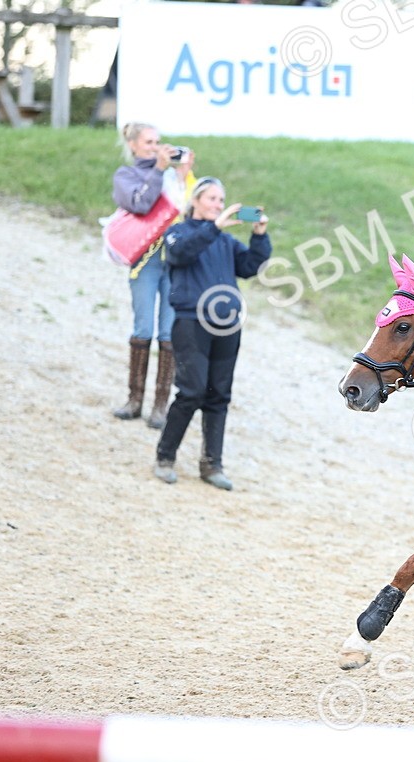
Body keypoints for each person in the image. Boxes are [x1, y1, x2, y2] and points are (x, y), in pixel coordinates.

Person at [153, 177, 271, 491]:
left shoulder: (225, 242)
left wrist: (260, 237)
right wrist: (214, 227)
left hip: (227, 325)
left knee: (219, 395)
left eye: (221, 201)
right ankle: (165, 456)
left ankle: (211, 464)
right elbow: (181, 255)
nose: (218, 205)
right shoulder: (178, 233)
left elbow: (250, 266)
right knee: (191, 391)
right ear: (196, 201)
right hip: (191, 322)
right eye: (212, 199)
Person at [111, 122, 195, 428]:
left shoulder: (174, 179)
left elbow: (190, 215)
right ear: (133, 145)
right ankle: (134, 400)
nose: (156, 147)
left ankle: (160, 406)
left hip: (173, 262)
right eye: (148, 142)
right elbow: (142, 204)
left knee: (169, 332)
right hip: (145, 261)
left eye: (158, 141)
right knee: (143, 327)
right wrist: (158, 169)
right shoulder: (127, 176)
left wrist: (184, 177)